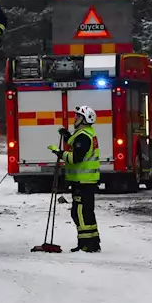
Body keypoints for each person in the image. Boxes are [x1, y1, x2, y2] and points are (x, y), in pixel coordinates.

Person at [49, 106, 101, 252]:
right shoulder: (83, 134)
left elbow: (75, 158)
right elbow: (75, 144)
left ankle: (87, 244)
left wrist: (58, 152)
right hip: (84, 180)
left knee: (80, 213)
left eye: (77, 117)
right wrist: (66, 135)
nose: (75, 119)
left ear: (84, 119)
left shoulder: (84, 135)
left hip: (83, 181)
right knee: (85, 212)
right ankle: (92, 241)